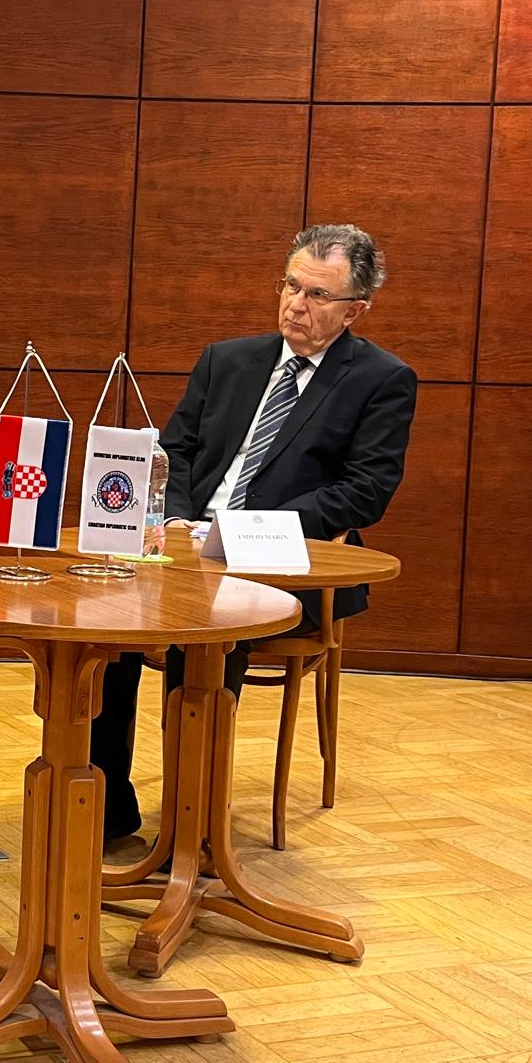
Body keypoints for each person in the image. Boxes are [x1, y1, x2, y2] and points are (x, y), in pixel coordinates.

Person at [93, 224, 417, 842]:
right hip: (183, 548)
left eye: (317, 295)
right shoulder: (228, 359)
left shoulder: (381, 379)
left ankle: (191, 826)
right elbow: (175, 450)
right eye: (291, 286)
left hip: (284, 567)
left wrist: (245, 532)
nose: (296, 304)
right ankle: (108, 805)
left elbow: (365, 490)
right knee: (104, 621)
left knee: (210, 625)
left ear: (354, 310)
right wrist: (177, 519)